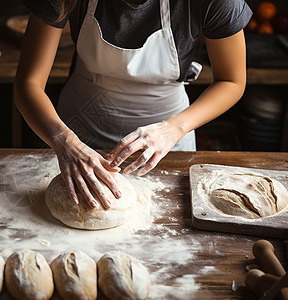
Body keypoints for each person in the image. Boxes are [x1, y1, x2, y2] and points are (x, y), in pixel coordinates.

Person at [14, 0, 252, 209]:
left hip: (165, 147)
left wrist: (173, 129)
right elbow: (28, 84)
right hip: (76, 135)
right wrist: (64, 141)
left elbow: (231, 81)